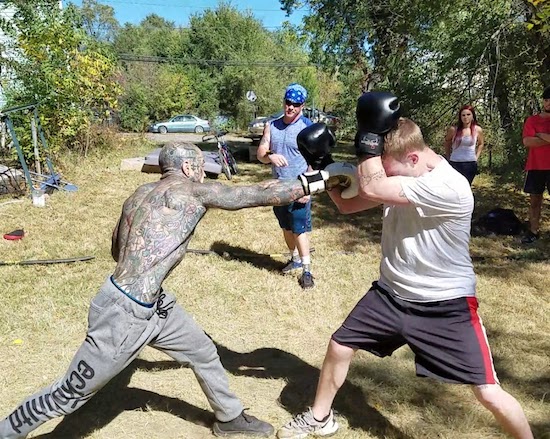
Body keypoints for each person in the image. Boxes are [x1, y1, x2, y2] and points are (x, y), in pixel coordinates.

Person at [0, 141, 338, 439]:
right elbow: (252, 195)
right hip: (124, 313)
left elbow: (117, 250)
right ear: (188, 167)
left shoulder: (137, 195)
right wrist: (317, 181)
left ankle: (230, 418)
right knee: (68, 395)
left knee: (203, 351)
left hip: (154, 303)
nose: (204, 176)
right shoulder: (190, 191)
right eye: (201, 169)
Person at [277, 92, 534, 439]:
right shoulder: (400, 174)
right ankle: (320, 418)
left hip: (445, 306)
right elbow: (350, 205)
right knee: (339, 346)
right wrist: (322, 166)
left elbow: (373, 185)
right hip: (390, 294)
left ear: (413, 157)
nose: (382, 171)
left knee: (488, 392)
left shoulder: (449, 187)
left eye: (388, 165)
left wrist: (366, 139)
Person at [257, 83, 315, 289]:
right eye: (288, 103)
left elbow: (315, 161)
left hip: (299, 187)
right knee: (286, 227)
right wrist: (271, 156)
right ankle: (294, 259)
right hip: (277, 187)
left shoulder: (308, 128)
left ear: (303, 106)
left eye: (296, 105)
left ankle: (307, 272)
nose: (290, 108)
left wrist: (307, 189)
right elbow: (261, 154)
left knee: (300, 229)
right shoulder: (271, 125)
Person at [521, 85, 550, 244]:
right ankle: (533, 231)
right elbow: (527, 141)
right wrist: (546, 138)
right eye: (546, 100)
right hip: (536, 166)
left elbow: (534, 139)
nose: (548, 103)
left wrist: (539, 135)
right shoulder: (532, 120)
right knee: (534, 201)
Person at [444, 104, 485, 185]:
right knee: (455, 187)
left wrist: (476, 157)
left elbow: (481, 144)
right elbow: (447, 142)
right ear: (460, 117)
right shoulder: (453, 130)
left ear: (473, 116)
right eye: (463, 115)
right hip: (455, 163)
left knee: (466, 187)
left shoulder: (477, 129)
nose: (465, 117)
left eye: (468, 114)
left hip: (470, 164)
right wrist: (448, 157)